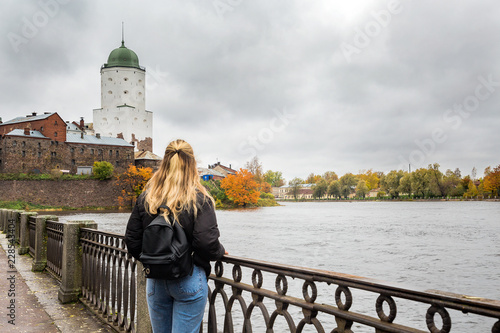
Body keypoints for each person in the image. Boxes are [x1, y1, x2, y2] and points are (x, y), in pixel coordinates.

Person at [125, 139, 226, 333]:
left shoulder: (148, 198)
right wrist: (220, 251)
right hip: (188, 277)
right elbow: (206, 242)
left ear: (164, 163)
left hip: (155, 280)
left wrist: (155, 261)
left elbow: (132, 241)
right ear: (192, 164)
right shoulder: (199, 198)